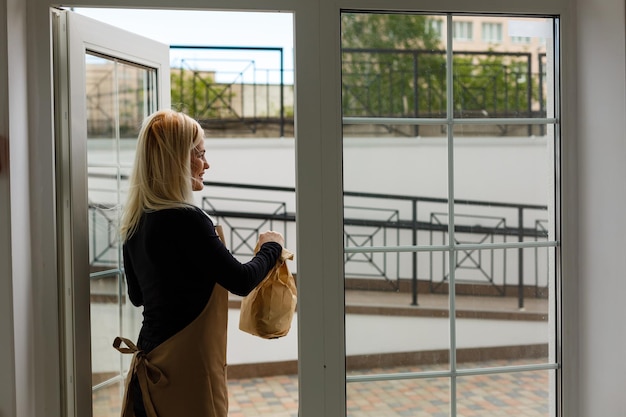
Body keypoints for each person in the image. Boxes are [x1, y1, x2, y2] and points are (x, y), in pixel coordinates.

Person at [115, 109, 284, 417]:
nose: (206, 164)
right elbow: (242, 280)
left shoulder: (135, 223)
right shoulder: (188, 220)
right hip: (186, 373)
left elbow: (138, 296)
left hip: (150, 362)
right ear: (177, 159)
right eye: (200, 154)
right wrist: (271, 247)